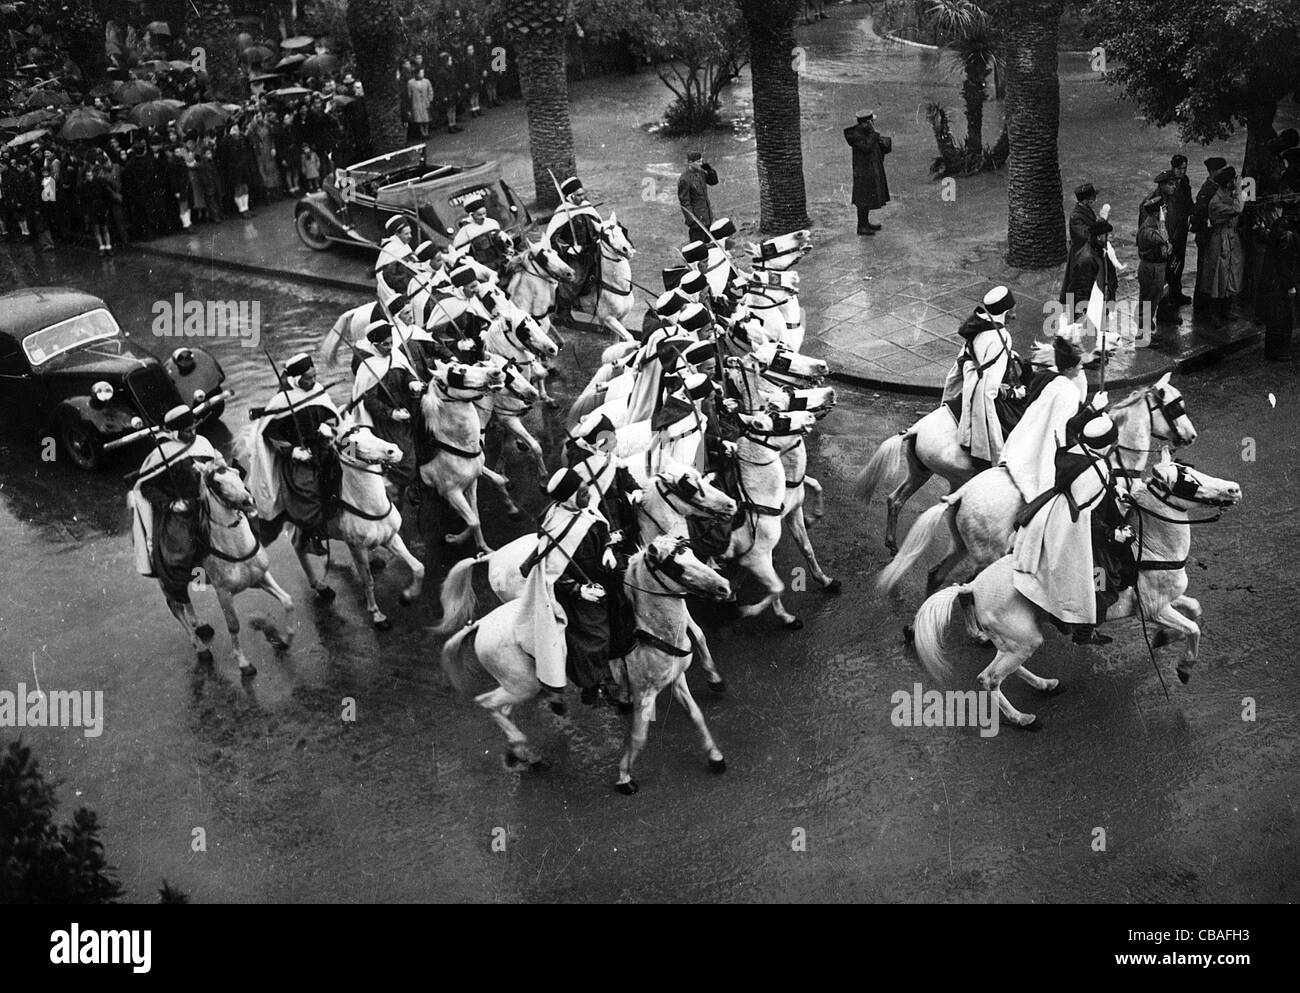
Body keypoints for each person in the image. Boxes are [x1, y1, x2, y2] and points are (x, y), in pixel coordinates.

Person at [1011, 410, 1134, 646]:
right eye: (1114, 443)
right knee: (1100, 577)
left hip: (1060, 512)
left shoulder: (1082, 453)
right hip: (1079, 532)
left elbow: (1102, 483)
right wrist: (1113, 534)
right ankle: (1083, 630)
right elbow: (1089, 516)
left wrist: (1115, 489)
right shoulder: (1093, 471)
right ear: (1107, 444)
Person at [516, 467, 620, 713]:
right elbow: (552, 573)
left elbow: (601, 528)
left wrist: (608, 547)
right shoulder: (556, 526)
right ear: (571, 496)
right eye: (582, 492)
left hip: (601, 574)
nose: (587, 495)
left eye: (586, 489)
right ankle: (592, 687)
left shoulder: (586, 509)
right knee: (596, 635)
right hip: (577, 591)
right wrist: (579, 590)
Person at [245, 353, 342, 558]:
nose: (314, 381)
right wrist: (291, 450)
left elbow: (332, 416)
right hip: (298, 457)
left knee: (342, 470)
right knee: (307, 490)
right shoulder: (281, 401)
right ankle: (310, 535)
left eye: (315, 376)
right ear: (297, 380)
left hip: (321, 446)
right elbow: (270, 432)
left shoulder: (318, 392)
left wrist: (329, 427)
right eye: (308, 378)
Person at [129, 404, 219, 605]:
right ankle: (179, 588)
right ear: (174, 432)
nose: (193, 433)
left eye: (194, 428)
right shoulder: (160, 455)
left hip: (205, 498)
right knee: (182, 551)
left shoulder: (201, 442)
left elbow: (216, 459)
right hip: (178, 508)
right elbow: (146, 488)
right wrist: (171, 504)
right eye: (188, 431)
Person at [998, 333, 1094, 505]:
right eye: (1079, 365)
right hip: (1047, 446)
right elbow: (1068, 429)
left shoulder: (1049, 379)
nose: (1081, 369)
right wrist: (1092, 410)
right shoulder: (1070, 391)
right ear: (1070, 368)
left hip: (1023, 439)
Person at [938, 286, 1017, 467]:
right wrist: (1008, 391)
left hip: (969, 378)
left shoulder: (977, 326)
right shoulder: (1002, 336)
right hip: (983, 386)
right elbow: (992, 381)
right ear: (1005, 312)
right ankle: (996, 458)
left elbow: (967, 357)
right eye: (1013, 310)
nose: (1015, 314)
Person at [351, 321, 420, 489]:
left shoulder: (395, 355)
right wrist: (391, 414)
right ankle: (394, 489)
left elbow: (406, 374)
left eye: (391, 343)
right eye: (385, 344)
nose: (390, 347)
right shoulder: (368, 367)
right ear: (375, 345)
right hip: (386, 422)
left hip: (407, 410)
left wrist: (412, 383)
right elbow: (369, 400)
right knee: (403, 457)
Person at [1195, 165, 1244, 325]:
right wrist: (1239, 189)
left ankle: (1225, 310)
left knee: (1230, 277)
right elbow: (1238, 208)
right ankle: (1213, 314)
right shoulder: (1216, 201)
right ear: (1228, 183)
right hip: (1219, 241)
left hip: (1231, 241)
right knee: (1217, 279)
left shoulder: (1227, 195)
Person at [844, 110, 891, 235]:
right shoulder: (858, 135)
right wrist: (874, 134)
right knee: (863, 199)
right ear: (867, 122)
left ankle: (865, 223)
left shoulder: (863, 133)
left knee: (867, 197)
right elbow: (867, 147)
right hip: (863, 171)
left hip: (868, 169)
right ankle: (861, 226)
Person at [1190, 157, 1228, 313]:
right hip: (1206, 235)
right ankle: (1200, 303)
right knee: (1204, 270)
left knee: (1209, 270)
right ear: (1213, 171)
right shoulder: (1207, 190)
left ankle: (1204, 301)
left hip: (1210, 233)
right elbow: (1200, 214)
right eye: (1220, 170)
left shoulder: (1216, 187)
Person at [1060, 182, 1101, 312]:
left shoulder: (1086, 210)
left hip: (1088, 251)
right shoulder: (1076, 215)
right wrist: (1098, 228)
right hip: (1081, 253)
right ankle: (1076, 310)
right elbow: (1084, 233)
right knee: (1079, 282)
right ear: (1086, 200)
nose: (1094, 199)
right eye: (1092, 197)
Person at [1135, 195, 1170, 344]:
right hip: (1151, 268)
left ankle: (1146, 331)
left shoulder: (1153, 225)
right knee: (1148, 302)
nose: (1166, 211)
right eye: (1163, 209)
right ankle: (1143, 336)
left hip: (1157, 267)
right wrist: (1162, 221)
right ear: (1157, 212)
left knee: (1153, 300)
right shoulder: (1149, 230)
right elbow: (1164, 239)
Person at [1163, 155, 1195, 311]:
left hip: (1182, 227)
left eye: (1184, 168)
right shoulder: (1168, 182)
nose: (1182, 171)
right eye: (1179, 168)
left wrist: (1192, 213)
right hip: (1172, 229)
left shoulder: (1185, 181)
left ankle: (1177, 292)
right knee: (1171, 265)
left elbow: (1188, 201)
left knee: (1179, 262)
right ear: (1173, 167)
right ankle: (1169, 298)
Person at [451, 195, 510, 273]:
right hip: (483, 268)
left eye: (484, 213)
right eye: (479, 215)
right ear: (472, 215)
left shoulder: (492, 223)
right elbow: (460, 254)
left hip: (502, 260)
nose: (483, 217)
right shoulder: (465, 231)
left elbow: (505, 241)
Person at [677, 150, 718, 242]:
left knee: (709, 245)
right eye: (698, 162)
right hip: (697, 220)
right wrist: (692, 220)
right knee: (698, 247)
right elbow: (684, 202)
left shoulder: (701, 173)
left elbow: (713, 182)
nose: (700, 163)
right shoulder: (684, 179)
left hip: (707, 217)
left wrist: (710, 170)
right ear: (690, 163)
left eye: (701, 161)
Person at [407, 67, 433, 139]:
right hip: (416, 103)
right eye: (421, 73)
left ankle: (427, 132)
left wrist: (430, 99)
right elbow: (409, 94)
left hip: (425, 102)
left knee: (426, 119)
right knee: (419, 119)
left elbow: (430, 90)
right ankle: (423, 133)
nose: (422, 74)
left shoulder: (426, 81)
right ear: (417, 74)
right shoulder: (410, 82)